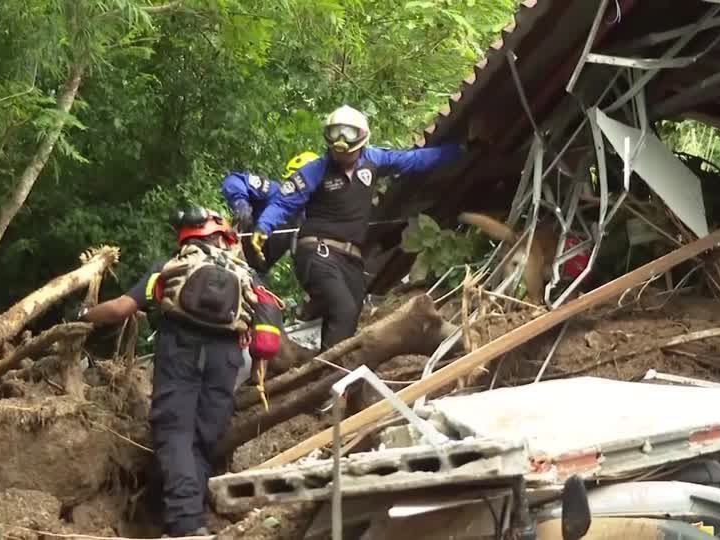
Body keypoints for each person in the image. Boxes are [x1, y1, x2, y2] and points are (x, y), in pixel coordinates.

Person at [76, 207, 284, 537]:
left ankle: (186, 527)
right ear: (223, 236)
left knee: (175, 435)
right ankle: (192, 521)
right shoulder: (246, 274)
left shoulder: (170, 267)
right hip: (226, 359)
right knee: (202, 441)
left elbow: (120, 309)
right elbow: (268, 325)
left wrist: (84, 314)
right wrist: (258, 365)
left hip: (181, 352)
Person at [253, 105, 463, 351]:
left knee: (348, 319)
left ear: (361, 138)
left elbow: (412, 160)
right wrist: (263, 227)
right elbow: (283, 202)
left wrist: (458, 150)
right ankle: (329, 375)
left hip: (351, 259)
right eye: (335, 135)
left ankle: (327, 369)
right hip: (318, 253)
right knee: (343, 308)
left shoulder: (373, 160)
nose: (341, 143)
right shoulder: (314, 171)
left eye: (348, 135)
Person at [220, 151, 320, 274]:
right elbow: (234, 180)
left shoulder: (313, 217)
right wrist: (240, 202)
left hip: (256, 271)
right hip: (231, 254)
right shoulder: (274, 192)